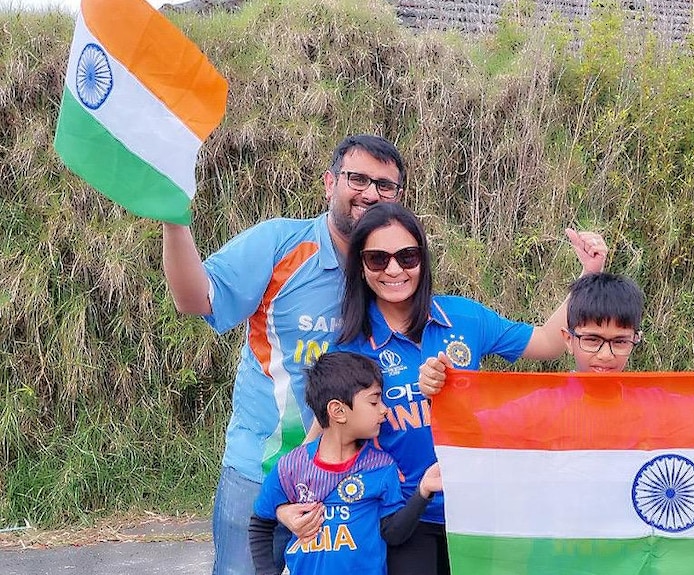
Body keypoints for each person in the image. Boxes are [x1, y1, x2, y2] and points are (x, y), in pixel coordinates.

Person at [278, 202, 608, 575]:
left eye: (407, 256)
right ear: (360, 266)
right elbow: (319, 441)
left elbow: (547, 343)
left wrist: (588, 274)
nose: (393, 269)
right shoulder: (350, 347)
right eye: (377, 259)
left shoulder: (464, 318)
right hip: (400, 517)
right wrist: (284, 507)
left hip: (478, 512)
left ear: (422, 259)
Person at [160, 134, 407, 575]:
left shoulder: (396, 273)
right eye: (358, 178)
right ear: (330, 184)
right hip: (262, 470)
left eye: (384, 185)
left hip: (356, 483)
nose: (370, 193)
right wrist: (174, 222)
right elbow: (197, 298)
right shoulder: (280, 244)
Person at [419, 271, 694, 389]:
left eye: (620, 342)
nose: (605, 355)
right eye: (592, 340)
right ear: (568, 340)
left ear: (636, 340)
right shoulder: (538, 402)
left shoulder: (652, 398)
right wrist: (442, 389)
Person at [249, 351, 442, 575]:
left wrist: (423, 491)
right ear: (338, 411)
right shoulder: (290, 468)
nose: (384, 410)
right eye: (374, 401)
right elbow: (260, 525)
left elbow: (393, 534)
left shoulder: (381, 467)